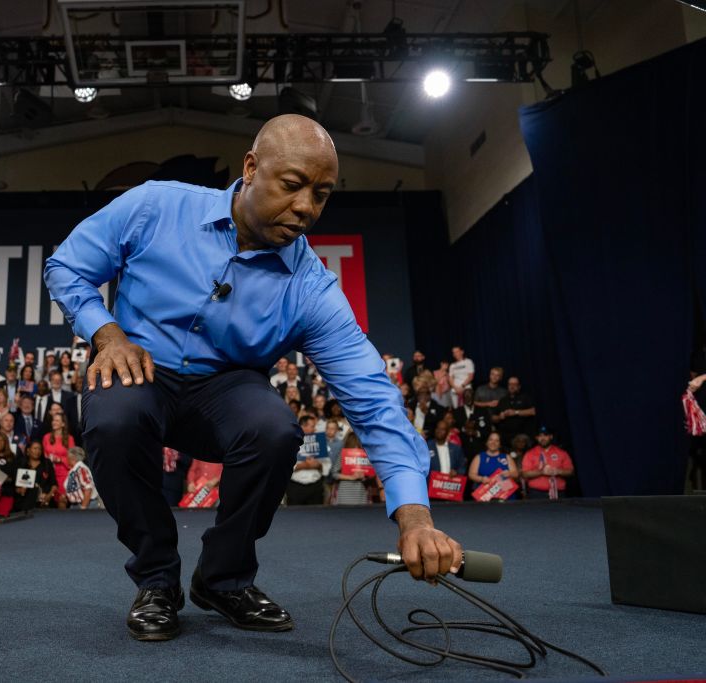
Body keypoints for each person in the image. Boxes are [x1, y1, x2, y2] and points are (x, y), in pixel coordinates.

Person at [44, 114, 461, 642]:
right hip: (139, 366)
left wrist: (415, 516)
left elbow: (373, 400)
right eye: (292, 185)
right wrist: (106, 334)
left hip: (225, 387)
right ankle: (156, 578)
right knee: (113, 416)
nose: (307, 207)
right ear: (250, 168)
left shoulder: (311, 289)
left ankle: (223, 578)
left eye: (323, 194)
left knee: (275, 427)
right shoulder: (156, 206)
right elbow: (68, 267)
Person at [287, 414, 330, 505]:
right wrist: (302, 466)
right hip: (295, 487)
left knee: (316, 517)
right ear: (303, 427)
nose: (315, 429)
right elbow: (285, 465)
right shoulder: (290, 442)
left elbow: (327, 464)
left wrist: (318, 465)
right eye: (312, 426)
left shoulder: (321, 441)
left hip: (315, 487)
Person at [521, 427, 575, 500]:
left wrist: (557, 471)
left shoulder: (561, 452)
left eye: (545, 435)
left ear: (551, 436)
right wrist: (542, 472)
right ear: (536, 438)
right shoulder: (530, 453)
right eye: (540, 436)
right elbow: (525, 474)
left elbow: (570, 472)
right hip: (537, 493)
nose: (542, 438)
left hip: (558, 492)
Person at [468, 432, 519, 500]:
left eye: (496, 440)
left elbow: (516, 474)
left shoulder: (506, 457)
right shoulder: (479, 457)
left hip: (505, 494)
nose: (493, 442)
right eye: (491, 440)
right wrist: (481, 479)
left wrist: (509, 473)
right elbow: (471, 474)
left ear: (500, 444)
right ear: (486, 442)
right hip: (485, 494)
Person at [491, 376, 537, 447]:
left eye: (514, 384)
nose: (512, 386)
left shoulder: (525, 398)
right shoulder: (503, 400)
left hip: (521, 435)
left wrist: (515, 412)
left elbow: (532, 411)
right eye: (510, 384)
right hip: (505, 436)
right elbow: (493, 418)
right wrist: (500, 417)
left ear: (519, 386)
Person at [15, 440, 58, 511]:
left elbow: (54, 484)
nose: (37, 451)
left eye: (40, 449)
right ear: (28, 450)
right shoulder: (21, 463)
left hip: (44, 502)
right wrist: (20, 490)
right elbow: (15, 486)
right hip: (24, 502)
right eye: (35, 448)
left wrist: (49, 496)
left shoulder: (47, 463)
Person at [42, 412, 75, 502]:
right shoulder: (46, 437)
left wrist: (59, 459)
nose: (54, 422)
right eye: (53, 420)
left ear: (63, 424)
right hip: (49, 474)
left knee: (62, 501)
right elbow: (43, 456)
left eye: (57, 420)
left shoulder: (69, 438)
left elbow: (73, 460)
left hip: (63, 474)